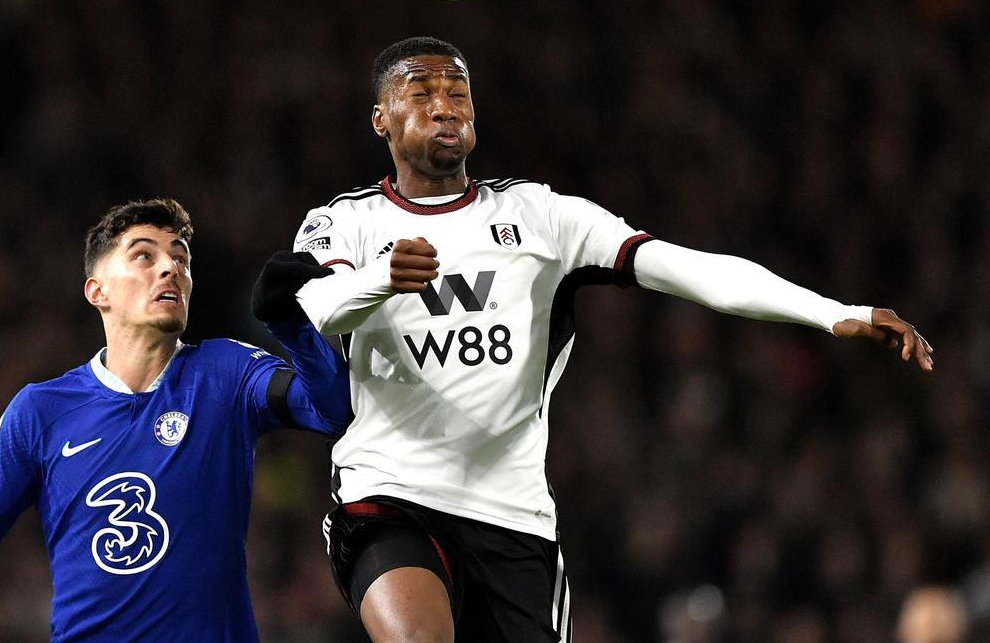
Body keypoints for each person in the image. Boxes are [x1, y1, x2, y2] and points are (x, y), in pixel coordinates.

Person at [259, 36, 934, 643]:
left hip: (511, 513)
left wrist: (830, 311)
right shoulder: (345, 222)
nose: (445, 107)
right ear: (381, 119)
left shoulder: (541, 216)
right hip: (390, 493)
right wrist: (382, 277)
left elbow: (684, 268)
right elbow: (318, 306)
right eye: (421, 94)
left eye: (458, 93)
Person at [0, 198, 346, 642]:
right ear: (97, 291)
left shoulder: (227, 371)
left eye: (180, 258)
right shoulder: (40, 411)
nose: (169, 268)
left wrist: (292, 326)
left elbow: (327, 408)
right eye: (144, 256)